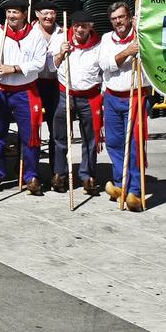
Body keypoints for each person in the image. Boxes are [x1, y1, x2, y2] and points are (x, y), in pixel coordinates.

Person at [0, 0, 48, 194]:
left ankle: (31, 175)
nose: (11, 16)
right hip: (1, 90)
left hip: (25, 90)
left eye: (15, 12)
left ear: (23, 15)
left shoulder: (35, 35)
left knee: (30, 136)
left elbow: (39, 64)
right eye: (8, 12)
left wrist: (14, 68)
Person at [98, 1, 149, 210]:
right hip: (112, 97)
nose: (118, 21)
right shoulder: (106, 39)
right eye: (114, 18)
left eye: (121, 17)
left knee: (135, 144)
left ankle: (135, 190)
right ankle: (121, 183)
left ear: (129, 17)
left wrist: (139, 36)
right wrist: (126, 52)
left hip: (135, 96)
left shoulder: (142, 36)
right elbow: (105, 64)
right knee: (114, 142)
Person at [51, 12, 102, 196]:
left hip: (90, 96)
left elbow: (105, 69)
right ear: (72, 25)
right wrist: (60, 53)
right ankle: (60, 174)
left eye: (84, 26)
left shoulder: (99, 44)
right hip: (66, 93)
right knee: (60, 137)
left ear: (91, 26)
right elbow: (50, 66)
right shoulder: (61, 39)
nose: (80, 29)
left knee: (90, 139)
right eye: (77, 25)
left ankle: (87, 176)